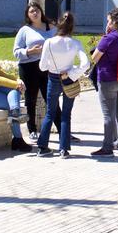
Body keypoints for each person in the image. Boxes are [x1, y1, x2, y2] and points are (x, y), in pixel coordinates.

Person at [35, 12, 90, 158]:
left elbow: (42, 67)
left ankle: (42, 147)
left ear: (58, 24)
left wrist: (53, 66)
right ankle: (63, 149)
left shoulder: (49, 42)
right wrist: (72, 72)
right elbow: (86, 64)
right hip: (68, 79)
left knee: (50, 113)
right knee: (66, 115)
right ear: (72, 26)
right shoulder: (75, 43)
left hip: (53, 78)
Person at [89, 8, 118, 157]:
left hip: (108, 79)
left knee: (108, 115)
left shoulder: (109, 38)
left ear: (116, 22)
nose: (108, 23)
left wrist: (106, 34)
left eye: (109, 20)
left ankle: (107, 147)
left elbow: (95, 57)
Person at [13, 2, 53, 141]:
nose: (35, 13)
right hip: (29, 67)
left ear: (41, 12)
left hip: (47, 67)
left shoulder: (51, 28)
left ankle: (62, 129)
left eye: (36, 10)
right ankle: (32, 129)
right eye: (31, 12)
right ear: (28, 15)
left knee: (51, 99)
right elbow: (16, 52)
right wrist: (30, 52)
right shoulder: (25, 30)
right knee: (31, 100)